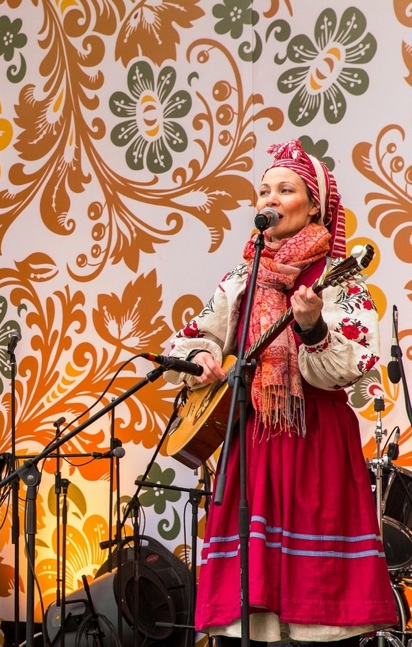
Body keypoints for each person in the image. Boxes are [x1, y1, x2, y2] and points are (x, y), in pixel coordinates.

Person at [164, 139, 395, 644]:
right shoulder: (241, 280)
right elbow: (188, 337)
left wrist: (312, 327)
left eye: (284, 190)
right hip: (252, 450)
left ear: (315, 205)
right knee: (246, 615)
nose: (268, 199)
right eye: (263, 190)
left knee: (319, 610)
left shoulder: (340, 284)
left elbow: (348, 368)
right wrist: (201, 356)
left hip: (317, 446)